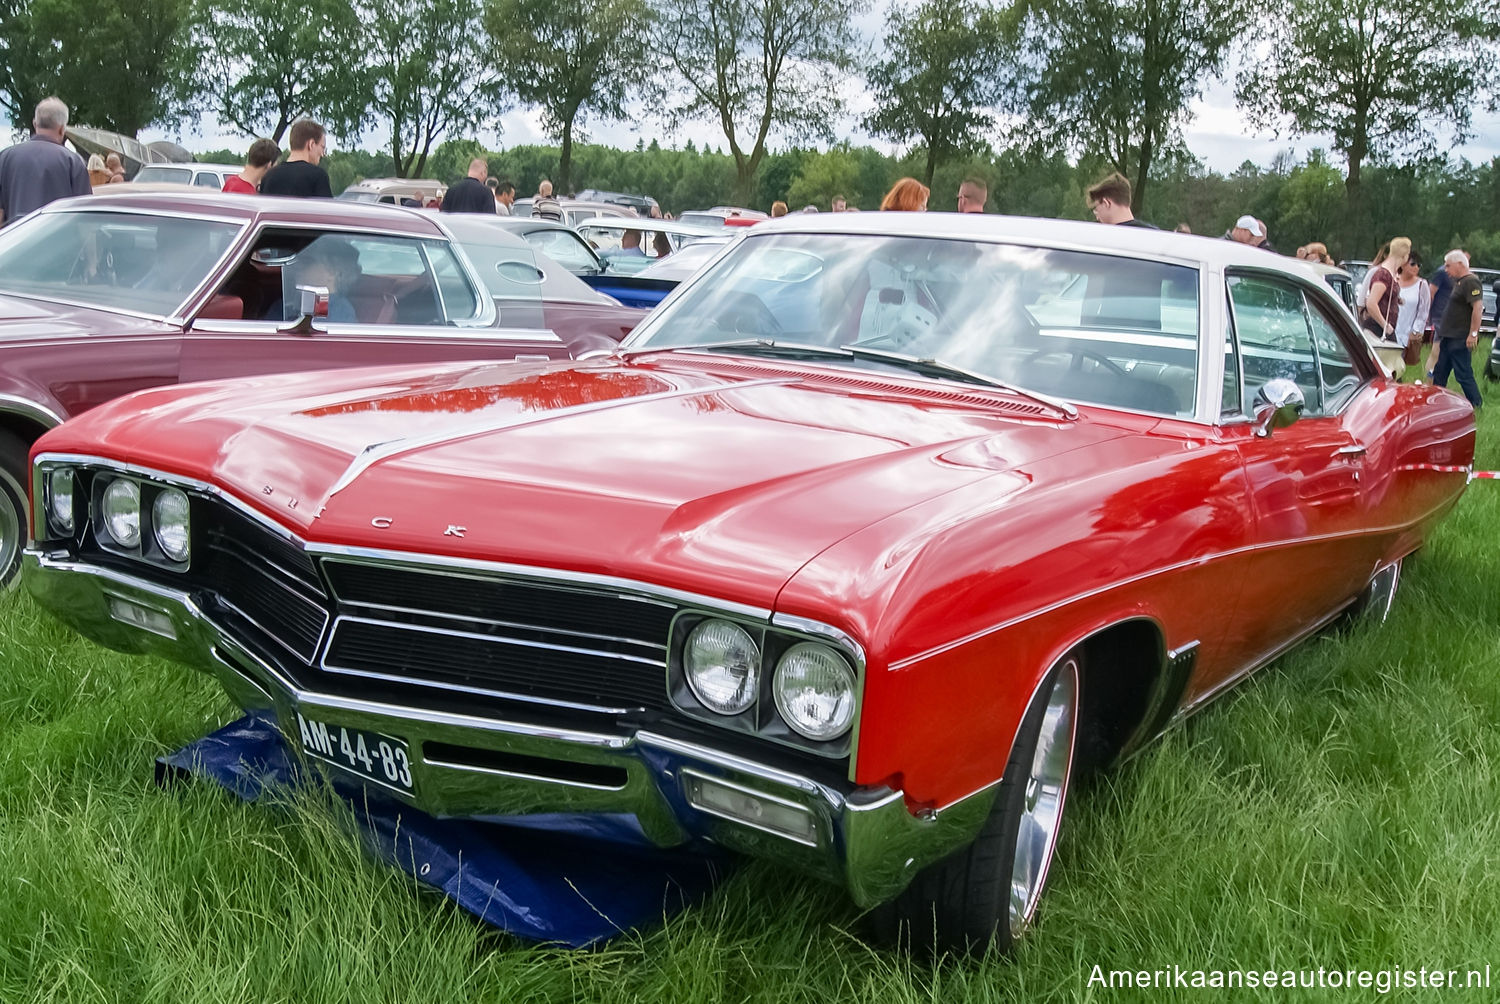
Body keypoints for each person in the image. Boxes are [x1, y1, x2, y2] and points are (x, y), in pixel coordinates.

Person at [0, 96, 91, 226]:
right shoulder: (73, 162)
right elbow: (84, 216)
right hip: (59, 244)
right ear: (62, 129)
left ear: (35, 124)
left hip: (17, 243)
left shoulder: (5, 157)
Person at [1432, 249, 1483, 408]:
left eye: (1448, 266)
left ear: (1460, 264)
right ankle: (1435, 402)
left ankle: (1476, 404)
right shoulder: (1459, 282)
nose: (1445, 270)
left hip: (1459, 337)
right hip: (1448, 337)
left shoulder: (1471, 281)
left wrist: (1473, 333)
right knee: (1440, 372)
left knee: (1463, 374)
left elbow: (1477, 308)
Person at [260, 120, 332, 197]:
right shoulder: (318, 176)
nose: (322, 154)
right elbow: (326, 208)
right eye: (322, 147)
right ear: (311, 144)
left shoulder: (268, 177)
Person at [1360, 237, 1409, 343]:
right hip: (1378, 329)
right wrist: (1385, 325)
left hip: (1383, 329)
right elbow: (1371, 303)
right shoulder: (1384, 275)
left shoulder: (1390, 274)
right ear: (1404, 255)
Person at [1394, 251, 1432, 368]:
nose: (1416, 267)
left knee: (1397, 366)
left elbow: (1423, 312)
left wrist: (1415, 331)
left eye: (1419, 265)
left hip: (1406, 334)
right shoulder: (1393, 280)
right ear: (1403, 264)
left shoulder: (1421, 284)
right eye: (1413, 264)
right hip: (1389, 330)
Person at [1086, 172, 1156, 227]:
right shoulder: (1157, 235)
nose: (1097, 218)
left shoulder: (1101, 238)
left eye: (1096, 209)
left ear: (1106, 203)